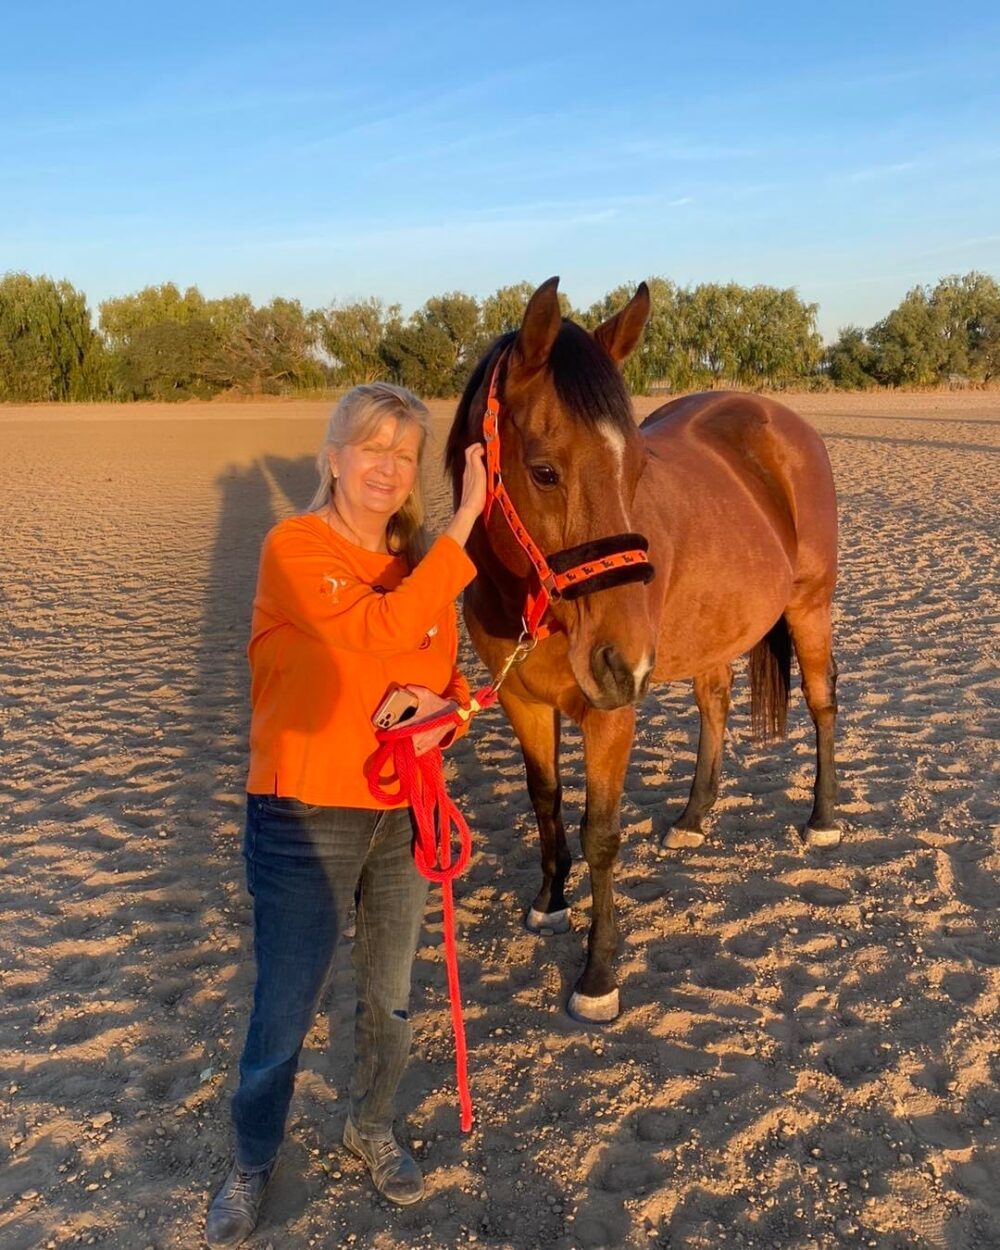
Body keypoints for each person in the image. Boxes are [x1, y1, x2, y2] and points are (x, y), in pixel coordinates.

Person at [205, 383, 486, 1248]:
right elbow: (376, 630)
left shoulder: (419, 572)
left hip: (403, 813)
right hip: (304, 814)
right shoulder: (294, 548)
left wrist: (443, 711)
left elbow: (453, 687)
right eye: (373, 448)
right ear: (332, 456)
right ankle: (254, 1159)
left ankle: (371, 1127)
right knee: (284, 1009)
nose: (390, 468)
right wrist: (467, 519)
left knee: (391, 1001)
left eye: (405, 455)